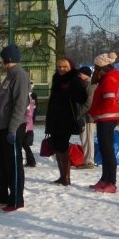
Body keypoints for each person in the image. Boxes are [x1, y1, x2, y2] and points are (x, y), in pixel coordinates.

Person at [0, 45, 30, 212]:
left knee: (14, 165)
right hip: (4, 127)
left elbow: (19, 105)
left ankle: (16, 200)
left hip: (14, 127)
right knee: (3, 164)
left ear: (8, 59)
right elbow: (3, 104)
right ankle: (1, 196)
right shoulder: (9, 76)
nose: (1, 61)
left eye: (2, 58)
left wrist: (12, 129)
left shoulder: (20, 75)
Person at [44, 57, 88, 186]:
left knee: (63, 147)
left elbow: (82, 98)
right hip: (55, 118)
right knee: (57, 147)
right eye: (59, 66)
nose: (62, 69)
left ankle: (66, 177)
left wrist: (70, 93)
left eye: (65, 66)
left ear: (71, 67)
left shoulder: (74, 79)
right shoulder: (56, 79)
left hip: (67, 119)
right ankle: (62, 175)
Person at [88, 52, 119, 193]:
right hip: (105, 117)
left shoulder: (109, 79)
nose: (94, 69)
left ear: (102, 67)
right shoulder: (108, 78)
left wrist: (97, 109)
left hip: (107, 117)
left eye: (96, 66)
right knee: (105, 149)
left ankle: (111, 182)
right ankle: (105, 179)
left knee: (108, 150)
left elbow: (109, 98)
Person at [76, 66, 97, 169]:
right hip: (85, 116)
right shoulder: (84, 84)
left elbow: (89, 102)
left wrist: (78, 113)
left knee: (88, 138)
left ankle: (89, 161)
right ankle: (87, 160)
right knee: (84, 138)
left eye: (80, 74)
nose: (79, 75)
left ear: (86, 75)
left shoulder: (90, 85)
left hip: (89, 117)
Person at [23, 82, 38, 167]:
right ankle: (31, 161)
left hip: (26, 122)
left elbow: (30, 112)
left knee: (24, 143)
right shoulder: (29, 97)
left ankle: (31, 161)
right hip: (28, 122)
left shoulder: (30, 98)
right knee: (24, 143)